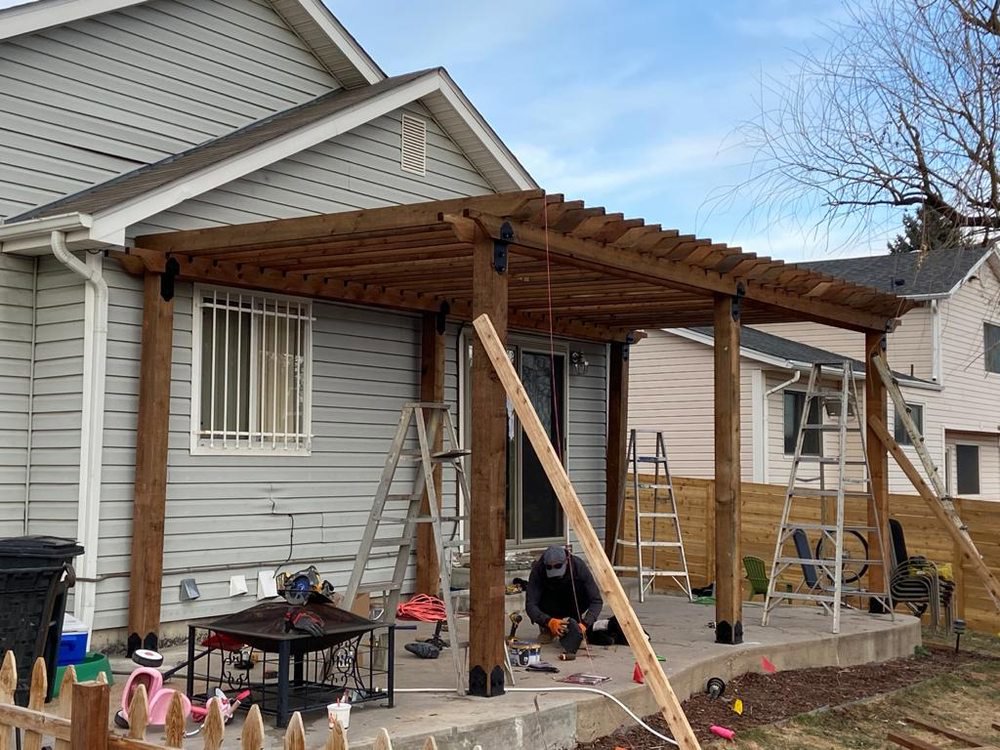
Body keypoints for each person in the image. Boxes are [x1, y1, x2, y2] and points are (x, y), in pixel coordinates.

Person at [525, 545, 603, 644]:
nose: (554, 571)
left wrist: (586, 623)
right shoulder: (538, 570)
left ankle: (577, 626)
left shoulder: (579, 567)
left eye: (558, 567)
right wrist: (548, 621)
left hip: (573, 600)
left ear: (566, 561)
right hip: (550, 601)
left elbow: (596, 601)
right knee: (539, 597)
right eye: (549, 567)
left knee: (580, 590)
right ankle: (548, 629)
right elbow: (530, 604)